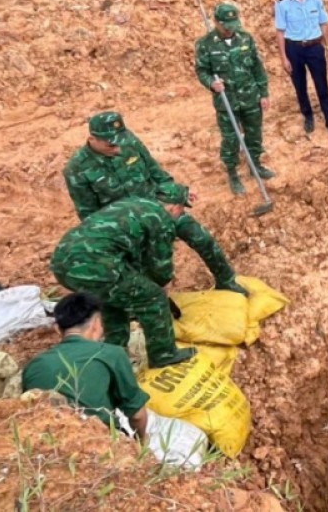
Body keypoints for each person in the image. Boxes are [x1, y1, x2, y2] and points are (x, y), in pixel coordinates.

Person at [63, 111, 247, 296]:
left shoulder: (128, 142)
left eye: (120, 141)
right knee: (148, 275)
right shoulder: (77, 169)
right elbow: (90, 217)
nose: (119, 148)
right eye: (111, 145)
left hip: (159, 209)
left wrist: (177, 193)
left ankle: (226, 280)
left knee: (202, 238)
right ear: (92, 139)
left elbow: (157, 173)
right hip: (129, 229)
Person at [49, 186, 198, 369]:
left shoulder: (134, 203)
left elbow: (131, 254)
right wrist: (159, 287)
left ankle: (115, 350)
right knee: (153, 297)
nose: (180, 215)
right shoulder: (161, 218)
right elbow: (161, 268)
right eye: (181, 210)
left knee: (114, 299)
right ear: (174, 207)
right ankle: (163, 354)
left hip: (61, 263)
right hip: (94, 265)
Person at [22, 293, 150, 441]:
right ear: (97, 323)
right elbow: (137, 415)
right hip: (98, 441)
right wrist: (141, 441)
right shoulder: (111, 353)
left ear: (57, 329)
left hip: (47, 444)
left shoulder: (33, 364)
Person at [195, 2, 275, 195]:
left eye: (233, 25)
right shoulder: (205, 44)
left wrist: (263, 93)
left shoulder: (246, 38)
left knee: (254, 134)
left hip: (250, 96)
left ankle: (255, 165)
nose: (231, 30)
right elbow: (202, 70)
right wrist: (211, 84)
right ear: (217, 23)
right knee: (231, 140)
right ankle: (232, 173)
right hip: (226, 101)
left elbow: (257, 67)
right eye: (227, 26)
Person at [274, 0, 328, 137]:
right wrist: (283, 58)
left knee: (322, 85)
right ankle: (308, 116)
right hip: (294, 49)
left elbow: (323, 24)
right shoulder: (282, 3)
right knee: (300, 86)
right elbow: (280, 32)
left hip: (314, 48)